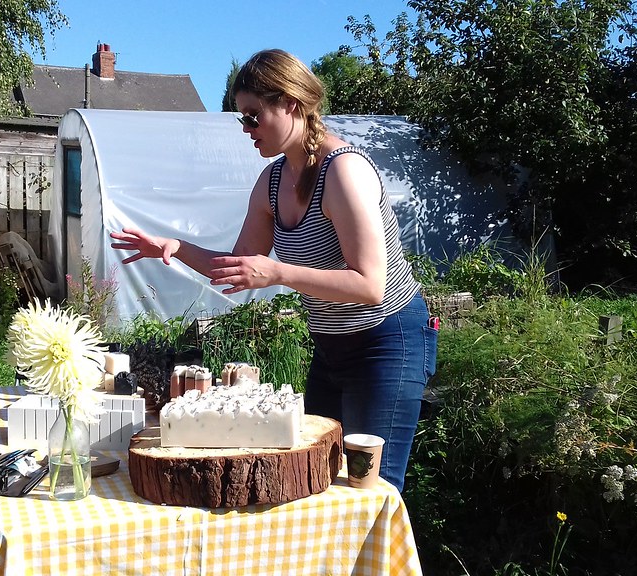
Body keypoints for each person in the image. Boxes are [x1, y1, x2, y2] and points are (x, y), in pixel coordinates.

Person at [110, 48, 437, 491]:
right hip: (331, 347)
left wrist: (279, 273)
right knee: (317, 478)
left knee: (369, 487)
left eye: (252, 115)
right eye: (240, 118)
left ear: (291, 105)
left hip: (386, 342)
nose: (246, 129)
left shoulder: (345, 172)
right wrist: (175, 246)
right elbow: (239, 265)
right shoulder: (274, 180)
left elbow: (370, 285)